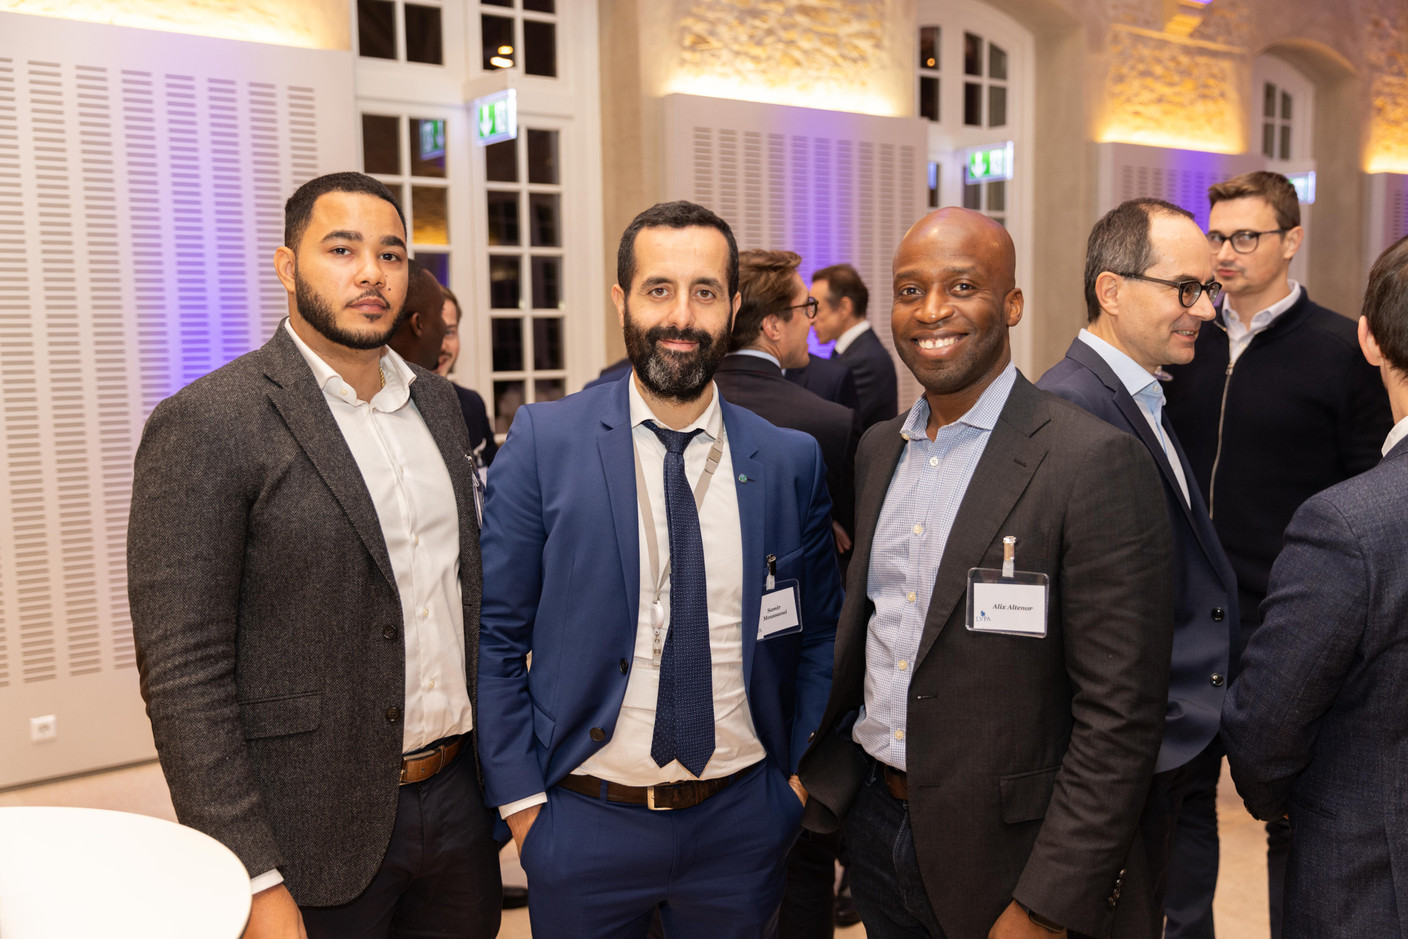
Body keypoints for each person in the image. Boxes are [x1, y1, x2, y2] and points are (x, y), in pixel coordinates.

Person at [127, 172, 500, 938]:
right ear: (287, 266)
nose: (371, 271)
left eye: (391, 254)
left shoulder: (440, 405)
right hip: (308, 828)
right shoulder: (207, 422)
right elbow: (184, 672)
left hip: (459, 804)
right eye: (342, 248)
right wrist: (252, 871)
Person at [800, 206, 1174, 939]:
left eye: (962, 285)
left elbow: (1121, 716)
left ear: (1012, 304)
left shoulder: (1089, 461)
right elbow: (877, 640)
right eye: (910, 291)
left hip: (1018, 856)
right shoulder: (879, 449)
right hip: (878, 829)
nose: (932, 310)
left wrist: (1047, 902)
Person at [477, 200, 842, 938]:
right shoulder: (547, 443)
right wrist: (524, 809)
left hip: (743, 824)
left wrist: (793, 786)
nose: (681, 315)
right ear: (622, 300)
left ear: (733, 307)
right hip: (583, 821)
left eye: (704, 291)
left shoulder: (788, 460)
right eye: (659, 289)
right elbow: (494, 639)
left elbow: (820, 636)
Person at [1162, 170, 1393, 938]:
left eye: (1245, 236)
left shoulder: (1342, 347)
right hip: (1189, 625)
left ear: (1292, 240)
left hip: (1294, 622)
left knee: (1299, 820)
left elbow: (1374, 486)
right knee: (1180, 811)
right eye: (1217, 236)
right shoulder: (1185, 338)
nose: (1225, 253)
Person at [1038, 198, 1239, 936]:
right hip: (1130, 755)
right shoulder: (1075, 407)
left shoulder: (1140, 394)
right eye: (1184, 289)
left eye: (1207, 291)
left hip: (1172, 742)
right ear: (1111, 290)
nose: (1204, 310)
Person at [1221, 232, 1408, 938]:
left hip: (1371, 885)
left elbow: (1265, 737)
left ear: (1368, 340)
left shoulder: (1348, 525)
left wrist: (1283, 796)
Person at [714, 248, 861, 561]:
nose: (812, 320)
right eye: (807, 306)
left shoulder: (680, 405)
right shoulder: (833, 424)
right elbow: (852, 540)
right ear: (773, 326)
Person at [805, 263, 898, 429]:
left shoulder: (866, 360)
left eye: (817, 310)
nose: (811, 319)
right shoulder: (856, 352)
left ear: (844, 308)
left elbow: (827, 423)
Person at [436, 284, 498, 467]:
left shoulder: (472, 403)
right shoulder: (393, 412)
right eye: (431, 332)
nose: (442, 346)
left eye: (449, 333)